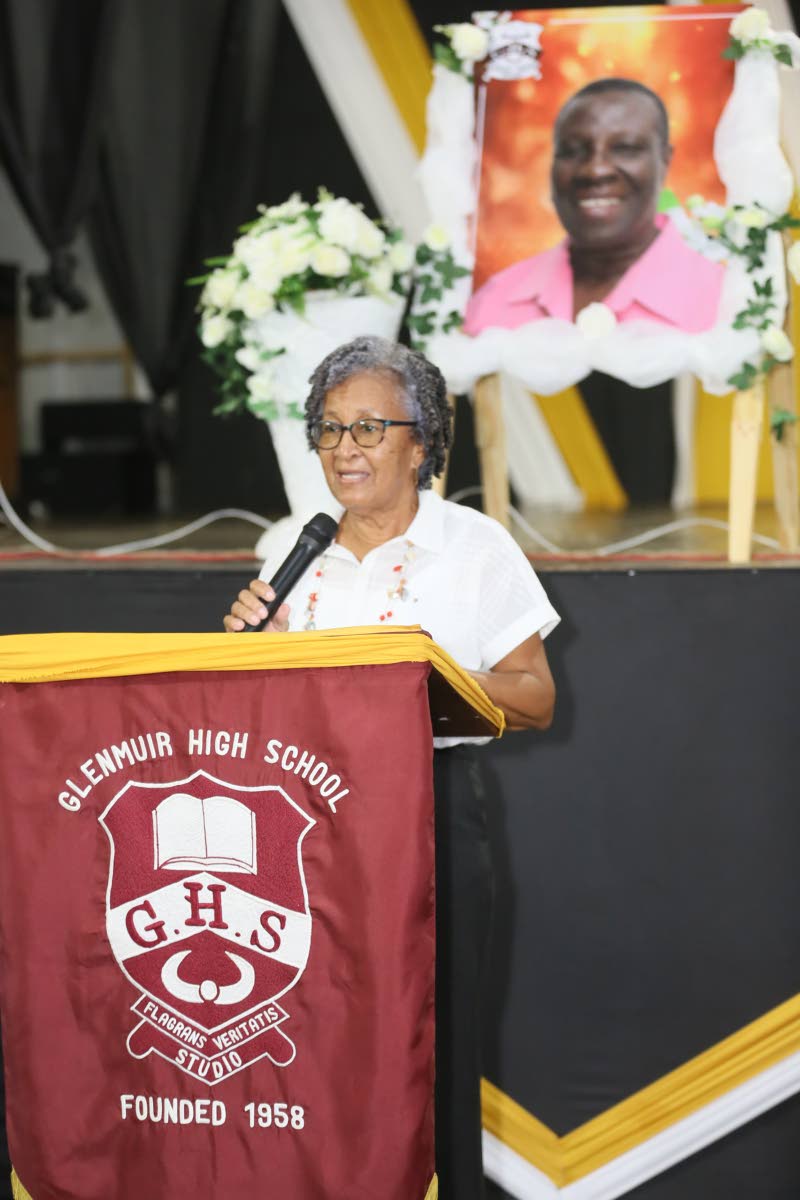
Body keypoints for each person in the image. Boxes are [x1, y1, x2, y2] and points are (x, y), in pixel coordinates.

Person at [225, 335, 559, 1200]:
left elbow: (535, 697)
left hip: (429, 813)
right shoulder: (295, 551)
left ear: (422, 443)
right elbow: (259, 719)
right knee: (314, 1037)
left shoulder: (474, 546)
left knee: (431, 1041)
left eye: (369, 428)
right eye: (330, 429)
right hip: (306, 827)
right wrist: (248, 657)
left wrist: (424, 676)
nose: (345, 448)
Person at [465, 77, 725, 335]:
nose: (595, 170)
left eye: (625, 148)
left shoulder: (726, 303)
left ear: (665, 161)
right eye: (573, 150)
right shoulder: (493, 303)